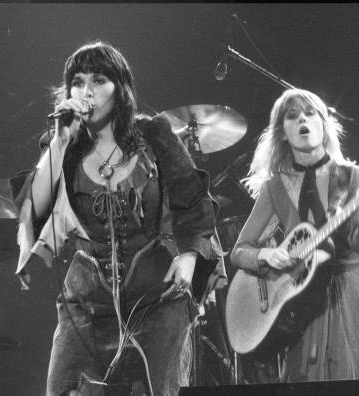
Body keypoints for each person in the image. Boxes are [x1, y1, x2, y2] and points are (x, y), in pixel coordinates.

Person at [13, 41, 220, 396]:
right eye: (78, 82)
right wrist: (61, 139)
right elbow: (34, 206)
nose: (86, 91)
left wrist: (188, 256)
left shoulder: (153, 135)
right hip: (87, 300)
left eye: (98, 80)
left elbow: (194, 201)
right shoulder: (63, 146)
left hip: (155, 296)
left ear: (119, 89)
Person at [230, 88, 359, 382]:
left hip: (352, 292)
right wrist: (265, 255)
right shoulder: (275, 188)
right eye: (292, 117)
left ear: (323, 123)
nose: (302, 120)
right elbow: (240, 250)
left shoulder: (353, 177)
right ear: (282, 132)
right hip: (301, 305)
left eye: (310, 113)